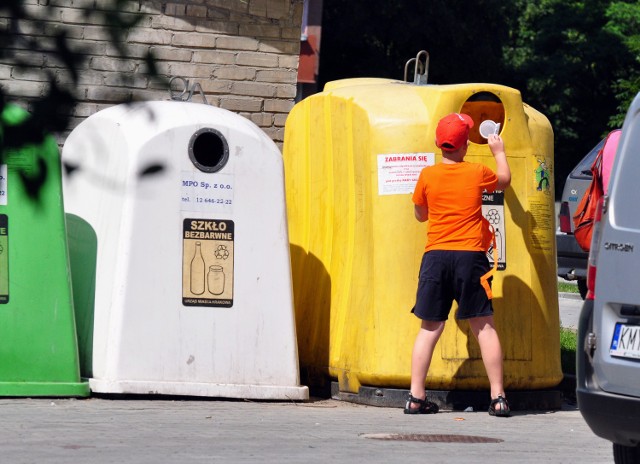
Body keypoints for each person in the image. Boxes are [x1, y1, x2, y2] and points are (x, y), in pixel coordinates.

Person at [405, 112, 511, 417]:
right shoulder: (477, 172)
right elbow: (504, 180)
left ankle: (415, 396)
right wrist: (499, 152)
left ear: (440, 144)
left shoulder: (427, 175)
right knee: (484, 326)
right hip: (471, 257)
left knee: (429, 328)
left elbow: (421, 214)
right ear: (465, 146)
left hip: (435, 257)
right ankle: (498, 398)